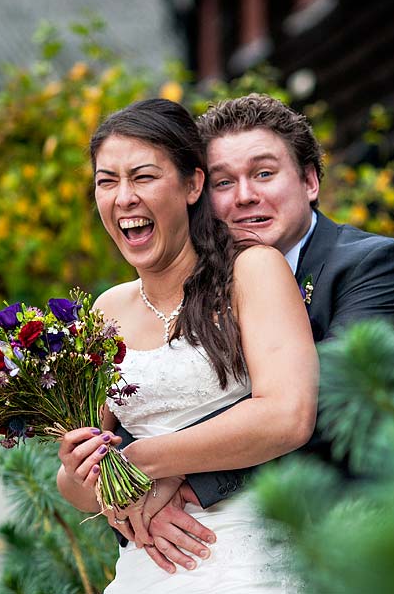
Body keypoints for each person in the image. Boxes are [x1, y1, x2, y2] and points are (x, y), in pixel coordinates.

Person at [125, 93, 394, 573]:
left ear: (310, 180)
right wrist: (125, 495)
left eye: (263, 173)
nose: (244, 196)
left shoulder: (379, 266)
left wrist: (175, 472)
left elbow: (328, 399)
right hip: (228, 543)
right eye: (223, 181)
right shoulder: (198, 291)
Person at [56, 98, 319, 593]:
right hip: (147, 567)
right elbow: (78, 490)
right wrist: (82, 472)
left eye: (144, 177)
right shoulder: (105, 311)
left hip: (250, 553)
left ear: (193, 184)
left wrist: (141, 462)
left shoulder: (253, 270)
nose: (124, 197)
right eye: (106, 181)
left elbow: (287, 415)